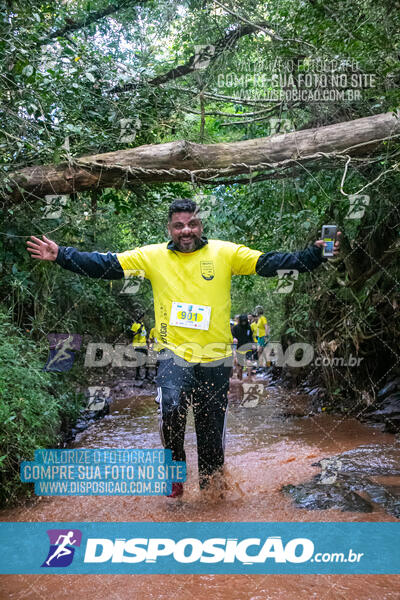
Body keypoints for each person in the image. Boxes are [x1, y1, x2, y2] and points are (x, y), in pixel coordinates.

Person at [27, 198, 341, 498]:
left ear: (200, 225)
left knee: (210, 433)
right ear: (169, 229)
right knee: (172, 406)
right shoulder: (152, 257)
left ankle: (212, 490)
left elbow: (269, 263)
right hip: (173, 353)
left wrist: (314, 256)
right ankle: (174, 477)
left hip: (215, 358)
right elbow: (106, 265)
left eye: (191, 224)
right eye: (178, 226)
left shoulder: (225, 253)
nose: (185, 231)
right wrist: (61, 255)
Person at [232, 314, 255, 380]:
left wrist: (253, 344)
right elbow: (232, 335)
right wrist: (234, 338)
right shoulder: (236, 328)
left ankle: (249, 378)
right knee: (240, 365)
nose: (244, 323)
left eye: (245, 321)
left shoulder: (248, 327)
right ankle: (240, 378)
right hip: (239, 348)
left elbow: (251, 337)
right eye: (243, 321)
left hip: (248, 347)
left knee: (249, 362)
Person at [130, 312, 149, 380]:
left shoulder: (142, 324)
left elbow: (143, 334)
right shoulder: (135, 325)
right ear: (141, 317)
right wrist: (138, 332)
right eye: (143, 316)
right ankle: (137, 375)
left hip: (143, 344)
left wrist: (146, 341)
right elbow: (131, 335)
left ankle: (147, 375)